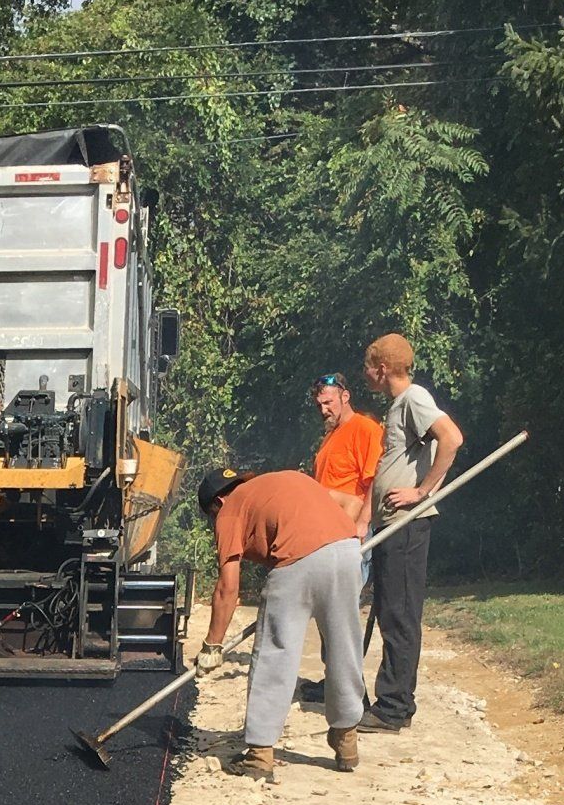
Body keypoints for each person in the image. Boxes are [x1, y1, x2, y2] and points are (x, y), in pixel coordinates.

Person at [197, 465, 367, 782]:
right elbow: (353, 503)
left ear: (217, 502)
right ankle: (346, 739)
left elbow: (227, 588)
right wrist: (335, 544)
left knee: (276, 654)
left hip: (295, 561)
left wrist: (212, 645)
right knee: (345, 649)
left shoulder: (229, 510)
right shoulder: (288, 479)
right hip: (346, 553)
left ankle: (260, 754)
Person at [361, 332, 464, 732]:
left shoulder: (413, 398)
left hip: (407, 526)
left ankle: (394, 707)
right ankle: (393, 702)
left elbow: (451, 438)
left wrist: (422, 492)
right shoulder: (399, 405)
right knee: (391, 612)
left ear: (382, 368)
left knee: (400, 615)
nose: (365, 374)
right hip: (392, 525)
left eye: (368, 367)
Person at [310, 371, 383, 540]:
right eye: (319, 405)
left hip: (353, 530)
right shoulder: (328, 438)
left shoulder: (365, 428)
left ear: (345, 397)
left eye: (328, 403)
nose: (323, 410)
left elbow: (377, 480)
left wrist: (363, 523)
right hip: (326, 529)